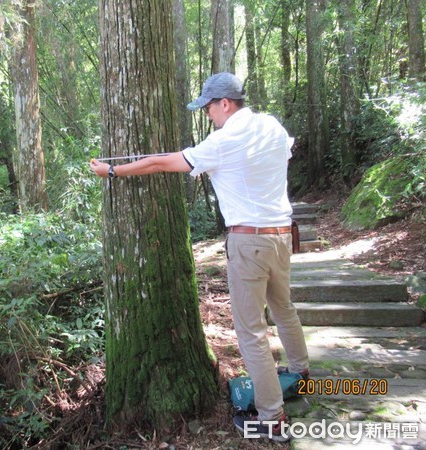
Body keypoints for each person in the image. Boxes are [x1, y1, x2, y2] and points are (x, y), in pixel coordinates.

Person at [90, 71, 309, 443]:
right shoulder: (270, 125)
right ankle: (301, 374)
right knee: (283, 307)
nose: (208, 114)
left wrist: (112, 170)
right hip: (282, 236)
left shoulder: (223, 141)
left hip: (249, 242)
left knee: (251, 331)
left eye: (208, 107)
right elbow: (285, 149)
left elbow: (159, 163)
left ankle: (272, 418)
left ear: (225, 103)